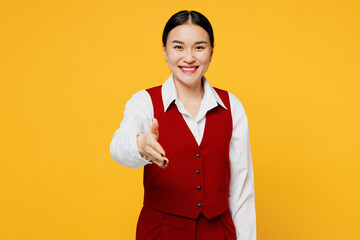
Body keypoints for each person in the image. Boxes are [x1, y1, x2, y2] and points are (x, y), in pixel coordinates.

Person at [110, 10, 256, 240]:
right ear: (165, 52)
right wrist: (139, 145)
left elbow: (242, 189)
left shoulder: (232, 106)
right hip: (161, 231)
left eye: (199, 47)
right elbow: (117, 147)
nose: (189, 57)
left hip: (218, 232)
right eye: (178, 47)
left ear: (211, 51)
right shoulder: (144, 101)